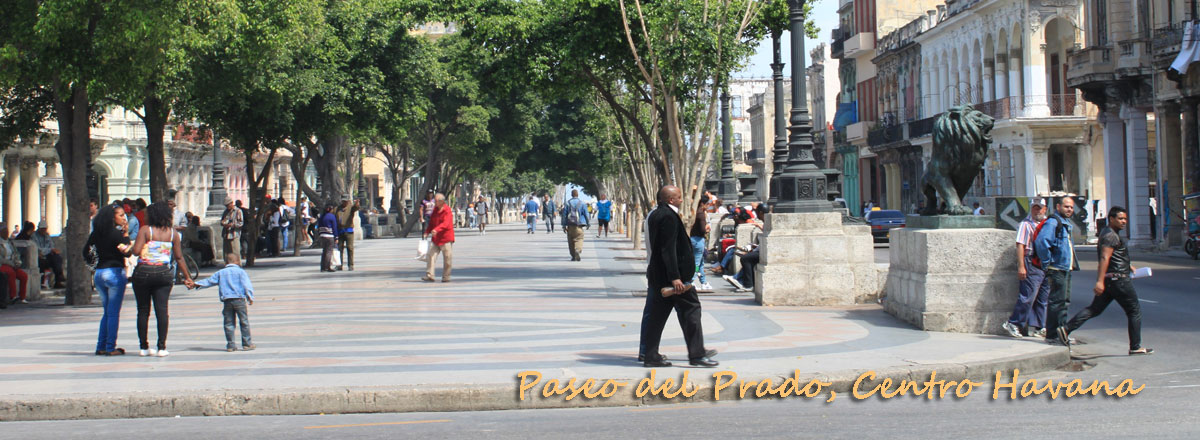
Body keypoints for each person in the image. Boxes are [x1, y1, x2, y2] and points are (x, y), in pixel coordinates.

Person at [639, 185, 718, 368]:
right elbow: (668, 249)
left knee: (656, 317)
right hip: (673, 280)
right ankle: (697, 354)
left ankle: (650, 355)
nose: (682, 200)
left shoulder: (657, 214)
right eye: (679, 197)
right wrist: (675, 277)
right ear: (671, 200)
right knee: (691, 311)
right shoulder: (668, 216)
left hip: (659, 276)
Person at [1064, 207, 1153, 355]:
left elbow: (1114, 255)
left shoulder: (1109, 233)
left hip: (1112, 280)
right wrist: (1099, 281)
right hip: (1118, 280)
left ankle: (1065, 330)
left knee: (1094, 309)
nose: (1124, 221)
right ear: (1111, 219)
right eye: (1120, 219)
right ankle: (1135, 347)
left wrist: (1127, 264)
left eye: (1125, 219)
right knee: (1134, 311)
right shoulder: (1111, 235)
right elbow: (1105, 258)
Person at [130, 202, 194, 357]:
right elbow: (179, 257)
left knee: (143, 310)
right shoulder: (173, 234)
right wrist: (187, 277)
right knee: (162, 310)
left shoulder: (146, 230)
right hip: (163, 273)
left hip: (143, 272)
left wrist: (131, 248)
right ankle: (162, 347)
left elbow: (137, 251)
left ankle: (144, 347)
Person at [86, 204, 133, 355]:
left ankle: (101, 345)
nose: (123, 218)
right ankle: (110, 347)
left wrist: (93, 265)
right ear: (112, 217)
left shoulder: (96, 234)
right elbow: (126, 252)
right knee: (113, 313)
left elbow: (85, 252)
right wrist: (126, 235)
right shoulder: (115, 234)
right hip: (114, 272)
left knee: (107, 312)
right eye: (120, 215)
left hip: (99, 273)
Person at [1002, 198, 1050, 339]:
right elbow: (1020, 245)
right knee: (1028, 296)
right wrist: (1021, 266)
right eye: (1035, 207)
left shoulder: (1047, 223)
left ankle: (1039, 326)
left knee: (1042, 298)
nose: (1038, 210)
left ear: (1045, 209)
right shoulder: (1025, 224)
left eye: (1040, 208)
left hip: (1045, 263)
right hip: (1031, 261)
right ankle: (1014, 322)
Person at [1034, 197, 1079, 347]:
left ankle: (1062, 333)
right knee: (1057, 302)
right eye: (1066, 206)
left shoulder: (1065, 223)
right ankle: (1053, 335)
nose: (1069, 210)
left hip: (1065, 267)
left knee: (1063, 302)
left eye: (1071, 207)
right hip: (1057, 268)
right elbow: (1042, 242)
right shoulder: (1054, 222)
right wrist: (1047, 262)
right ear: (1058, 206)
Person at [189, 252, 255, 352]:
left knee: (228, 323)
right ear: (238, 261)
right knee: (244, 322)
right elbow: (247, 285)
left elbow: (209, 281)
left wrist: (196, 284)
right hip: (239, 300)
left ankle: (231, 345)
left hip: (227, 301)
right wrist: (250, 296)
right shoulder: (241, 272)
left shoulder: (221, 273)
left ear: (226, 262)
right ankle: (247, 343)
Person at [423, 193, 455, 282]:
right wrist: (427, 232)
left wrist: (437, 229)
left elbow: (446, 224)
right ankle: (430, 275)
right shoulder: (435, 210)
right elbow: (432, 223)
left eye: (436, 201)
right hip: (436, 238)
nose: (434, 202)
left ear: (442, 201)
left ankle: (446, 276)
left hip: (446, 238)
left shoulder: (447, 210)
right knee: (431, 255)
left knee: (447, 258)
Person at [0, 226, 30, 304]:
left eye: (7, 231)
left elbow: (16, 253)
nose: (6, 233)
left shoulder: (10, 242)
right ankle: (12, 296)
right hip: (3, 264)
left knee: (23, 276)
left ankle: (22, 297)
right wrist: (11, 264)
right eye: (3, 231)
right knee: (11, 273)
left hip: (12, 264)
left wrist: (17, 262)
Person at [689, 195, 713, 292]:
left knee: (701, 262)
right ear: (703, 204)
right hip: (698, 240)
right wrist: (707, 228)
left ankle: (703, 282)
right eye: (707, 204)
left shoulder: (694, 212)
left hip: (693, 239)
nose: (708, 206)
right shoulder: (701, 214)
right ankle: (691, 281)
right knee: (697, 263)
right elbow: (702, 229)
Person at [33, 221, 66, 289]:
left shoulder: (47, 236)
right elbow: (38, 248)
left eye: (45, 229)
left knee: (57, 258)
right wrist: (49, 250)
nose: (43, 230)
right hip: (39, 256)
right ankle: (43, 282)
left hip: (48, 255)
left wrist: (52, 250)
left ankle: (59, 280)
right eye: (42, 229)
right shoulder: (34, 236)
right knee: (42, 262)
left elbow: (51, 245)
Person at [562, 189, 590, 261]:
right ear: (578, 195)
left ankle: (573, 255)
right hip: (579, 225)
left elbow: (564, 215)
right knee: (579, 238)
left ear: (571, 195)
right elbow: (587, 214)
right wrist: (588, 223)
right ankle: (577, 250)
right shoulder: (582, 203)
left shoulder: (568, 203)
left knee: (570, 241)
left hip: (570, 225)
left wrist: (564, 225)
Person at [337, 199, 359, 271]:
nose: (344, 202)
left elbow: (356, 208)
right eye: (343, 201)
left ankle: (350, 265)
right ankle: (339, 264)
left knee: (350, 248)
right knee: (339, 248)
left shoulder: (351, 208)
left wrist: (357, 203)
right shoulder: (337, 209)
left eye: (346, 201)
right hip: (340, 231)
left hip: (348, 230)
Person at [219, 198, 243, 262]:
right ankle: (227, 265)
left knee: (235, 252)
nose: (227, 207)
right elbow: (222, 221)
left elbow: (241, 223)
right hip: (226, 235)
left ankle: (237, 265)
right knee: (226, 253)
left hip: (234, 235)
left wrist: (232, 225)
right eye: (226, 206)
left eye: (228, 205)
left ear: (231, 203)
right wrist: (223, 223)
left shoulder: (238, 211)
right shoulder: (226, 211)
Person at [317, 204, 339, 272]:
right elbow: (334, 227)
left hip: (322, 235)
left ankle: (322, 267)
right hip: (330, 236)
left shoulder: (322, 216)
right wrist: (336, 237)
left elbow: (319, 226)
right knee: (329, 252)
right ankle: (327, 266)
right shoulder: (332, 216)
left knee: (324, 251)